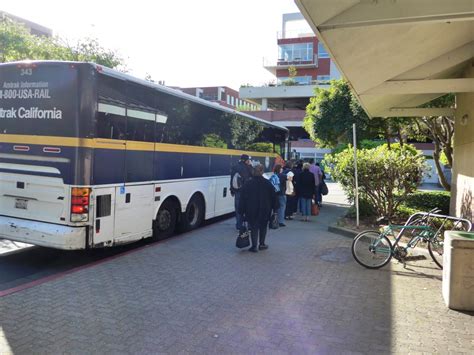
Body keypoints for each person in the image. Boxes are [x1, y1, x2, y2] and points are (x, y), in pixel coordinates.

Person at [238, 164, 278, 252]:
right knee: (263, 227)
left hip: (251, 210)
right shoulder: (267, 183)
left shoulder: (248, 183)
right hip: (265, 209)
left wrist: (241, 211)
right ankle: (262, 244)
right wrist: (275, 209)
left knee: (254, 227)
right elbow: (274, 197)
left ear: (254, 172)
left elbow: (243, 198)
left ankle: (254, 246)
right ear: (262, 172)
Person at [230, 154, 253, 230]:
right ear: (246, 160)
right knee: (248, 208)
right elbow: (253, 175)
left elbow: (232, 179)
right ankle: (249, 225)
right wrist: (250, 166)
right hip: (247, 192)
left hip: (237, 191)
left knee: (238, 209)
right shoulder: (248, 167)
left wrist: (232, 190)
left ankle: (239, 225)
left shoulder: (235, 167)